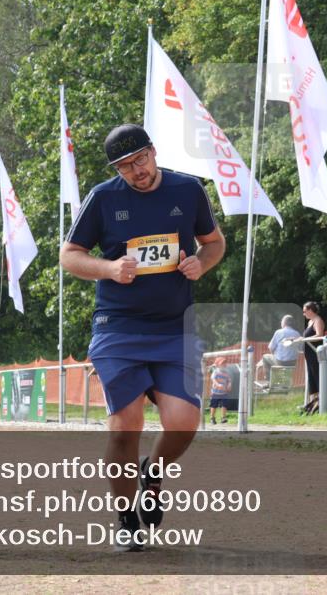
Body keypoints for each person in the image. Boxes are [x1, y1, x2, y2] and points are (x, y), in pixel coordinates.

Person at [59, 123, 225, 552]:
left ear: (154, 152)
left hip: (174, 327)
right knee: (124, 428)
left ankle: (152, 474)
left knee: (184, 423)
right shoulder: (103, 198)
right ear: (116, 169)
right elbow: (69, 255)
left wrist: (200, 265)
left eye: (141, 160)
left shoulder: (188, 190)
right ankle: (127, 517)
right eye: (126, 166)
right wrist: (110, 269)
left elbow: (213, 242)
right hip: (118, 327)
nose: (137, 171)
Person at [255, 314, 301, 385]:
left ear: (284, 323)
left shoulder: (279, 332)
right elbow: (299, 348)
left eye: (281, 321)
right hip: (292, 363)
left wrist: (274, 355)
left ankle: (268, 380)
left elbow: (270, 347)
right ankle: (279, 378)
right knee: (274, 359)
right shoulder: (297, 334)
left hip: (281, 362)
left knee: (265, 357)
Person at [302, 301, 325, 408]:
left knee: (317, 376)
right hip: (309, 354)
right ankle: (313, 403)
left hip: (315, 353)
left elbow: (320, 335)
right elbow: (306, 337)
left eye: (305, 311)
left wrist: (305, 339)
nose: (304, 314)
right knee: (311, 377)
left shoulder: (318, 320)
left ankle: (321, 402)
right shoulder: (310, 322)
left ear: (311, 311)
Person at [208, 357, 232, 424]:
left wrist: (229, 385)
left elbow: (229, 380)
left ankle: (223, 418)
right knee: (213, 406)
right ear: (218, 365)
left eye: (225, 363)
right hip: (215, 393)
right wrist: (217, 384)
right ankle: (212, 418)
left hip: (224, 393)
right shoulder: (216, 371)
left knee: (224, 405)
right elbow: (213, 379)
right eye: (222, 363)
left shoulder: (226, 373)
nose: (224, 365)